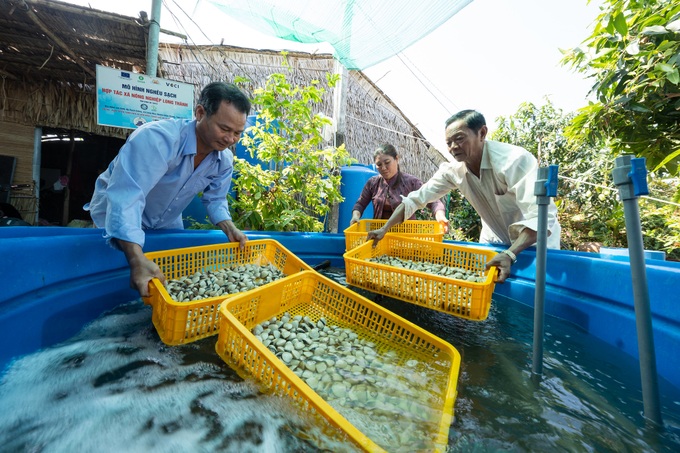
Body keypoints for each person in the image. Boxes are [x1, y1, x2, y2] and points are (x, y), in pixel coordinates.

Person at [84, 82, 251, 297]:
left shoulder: (224, 160)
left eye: (237, 133)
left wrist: (230, 228)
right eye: (224, 129)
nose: (230, 139)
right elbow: (127, 197)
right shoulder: (157, 139)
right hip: (116, 213)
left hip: (165, 220)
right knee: (108, 275)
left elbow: (216, 199)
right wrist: (136, 259)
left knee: (168, 280)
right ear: (200, 113)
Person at [367, 110, 561, 283]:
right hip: (495, 241)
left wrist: (511, 253)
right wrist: (385, 229)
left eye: (459, 139)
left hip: (534, 244)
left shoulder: (513, 161)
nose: (453, 147)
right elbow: (416, 199)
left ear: (482, 133)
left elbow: (541, 219)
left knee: (538, 297)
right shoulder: (453, 170)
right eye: (448, 143)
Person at [349, 144, 447, 226]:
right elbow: (360, 204)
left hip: (406, 235)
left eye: (387, 163)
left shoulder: (411, 182)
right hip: (380, 234)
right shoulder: (373, 183)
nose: (383, 168)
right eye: (379, 165)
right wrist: (355, 216)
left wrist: (440, 217)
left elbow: (434, 201)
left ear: (396, 159)